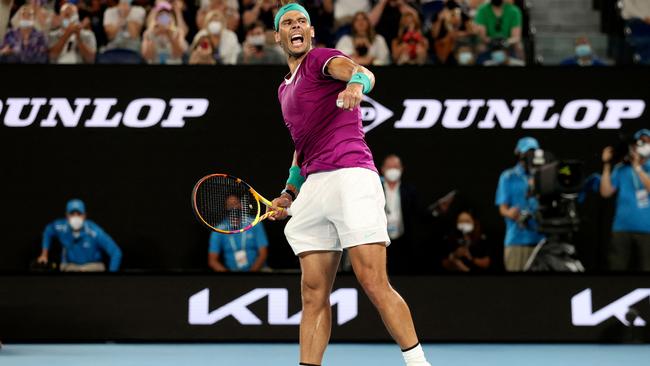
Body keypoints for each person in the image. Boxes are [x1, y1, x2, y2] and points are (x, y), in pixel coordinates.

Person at [268, 2, 431, 366]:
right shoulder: (283, 91)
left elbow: (361, 72)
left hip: (351, 175)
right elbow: (301, 147)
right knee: (312, 293)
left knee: (373, 281)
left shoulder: (321, 59)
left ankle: (419, 363)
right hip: (313, 188)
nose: (296, 26)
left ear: (311, 32)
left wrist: (356, 84)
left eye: (302, 21)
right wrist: (289, 192)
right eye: (287, 22)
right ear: (277, 36)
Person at [600, 129, 650, 271]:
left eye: (646, 142)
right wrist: (607, 165)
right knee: (617, 268)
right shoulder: (621, 168)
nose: (643, 145)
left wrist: (638, 168)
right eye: (640, 142)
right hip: (621, 228)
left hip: (647, 229)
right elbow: (605, 192)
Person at [495, 137, 544, 271]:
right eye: (527, 152)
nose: (530, 156)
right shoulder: (508, 176)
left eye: (533, 152)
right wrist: (510, 213)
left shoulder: (544, 176)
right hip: (517, 240)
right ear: (519, 154)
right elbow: (502, 209)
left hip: (541, 240)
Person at [37, 199, 122, 272]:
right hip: (71, 267)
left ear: (84, 215)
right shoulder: (61, 227)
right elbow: (48, 230)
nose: (75, 217)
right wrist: (44, 254)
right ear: (67, 216)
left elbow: (116, 252)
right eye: (72, 214)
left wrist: (111, 276)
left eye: (79, 214)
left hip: (92, 267)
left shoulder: (94, 231)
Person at [381, 154, 422, 274]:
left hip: (404, 241)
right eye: (389, 167)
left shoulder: (410, 191)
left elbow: (418, 214)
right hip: (381, 241)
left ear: (402, 169)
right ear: (382, 169)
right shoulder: (375, 189)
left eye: (396, 167)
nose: (392, 170)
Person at [208, 195, 269, 272]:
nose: (234, 207)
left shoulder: (254, 223)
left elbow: (263, 254)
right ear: (226, 208)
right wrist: (230, 278)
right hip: (232, 275)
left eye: (236, 203)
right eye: (230, 205)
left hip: (258, 271)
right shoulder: (219, 229)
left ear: (241, 205)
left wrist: (250, 276)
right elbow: (212, 260)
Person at [430, 1, 474, 65]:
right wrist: (439, 20)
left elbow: (471, 32)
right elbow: (434, 35)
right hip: (443, 44)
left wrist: (459, 34)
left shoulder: (462, 13)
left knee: (464, 51)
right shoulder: (439, 15)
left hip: (461, 43)